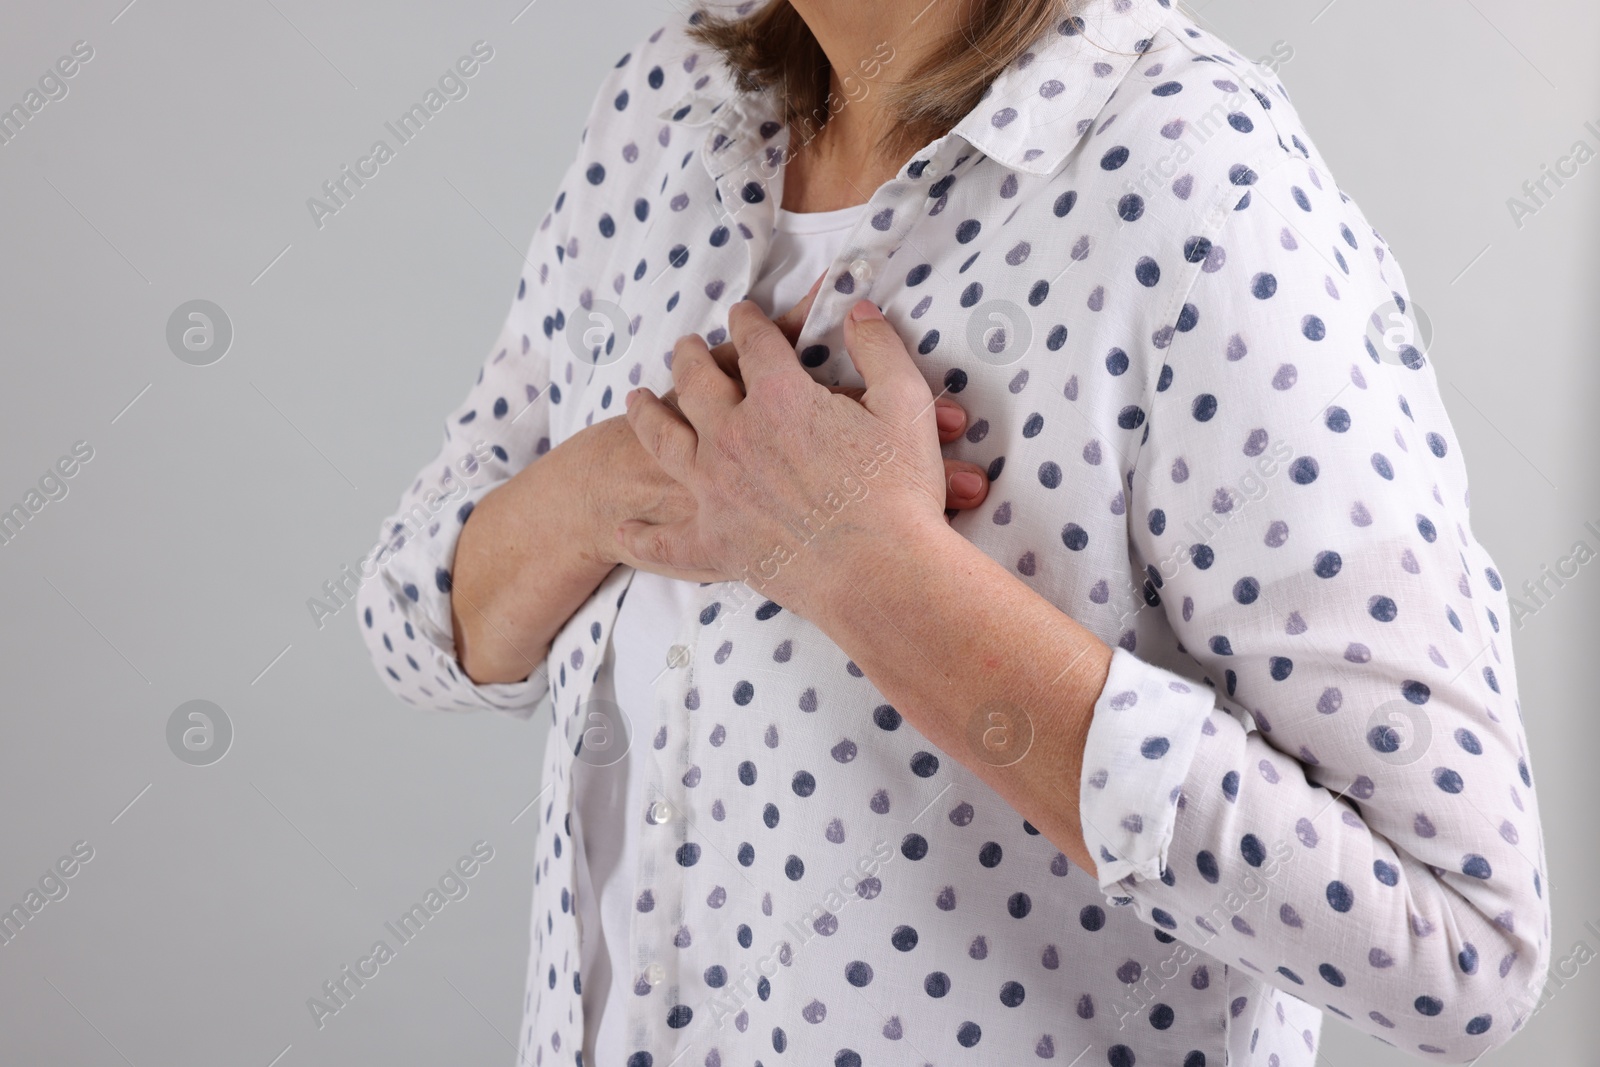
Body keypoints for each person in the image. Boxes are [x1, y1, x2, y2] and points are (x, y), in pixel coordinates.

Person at [357, 1, 1551, 1063]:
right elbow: (418, 619)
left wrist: (877, 579)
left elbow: (1458, 948)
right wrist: (627, 473)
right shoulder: (669, 103)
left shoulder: (1196, 174)